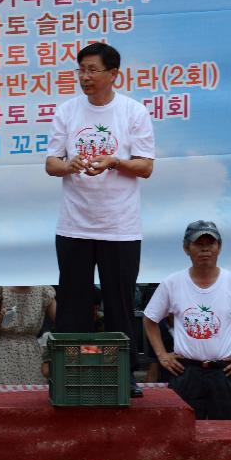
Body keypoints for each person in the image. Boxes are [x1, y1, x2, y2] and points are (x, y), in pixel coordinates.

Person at [45, 42, 155, 397]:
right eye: (81, 70)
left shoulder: (133, 112)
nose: (85, 77)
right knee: (73, 304)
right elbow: (51, 163)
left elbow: (146, 165)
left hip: (119, 228)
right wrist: (69, 164)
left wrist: (114, 161)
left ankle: (124, 374)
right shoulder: (67, 111)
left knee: (119, 303)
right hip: (74, 226)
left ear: (113, 74)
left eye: (92, 70)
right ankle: (68, 371)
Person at [143, 221, 231, 419]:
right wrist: (162, 356)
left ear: (219, 247)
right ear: (186, 248)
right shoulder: (172, 283)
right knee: (183, 434)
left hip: (224, 373)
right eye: (198, 243)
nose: (205, 249)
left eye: (210, 243)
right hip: (185, 373)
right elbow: (150, 319)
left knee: (228, 435)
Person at [0, 286, 56, 386]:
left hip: (32, 355)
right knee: (1, 397)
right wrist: (1, 319)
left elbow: (61, 321)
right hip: (3, 355)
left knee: (33, 397)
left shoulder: (44, 291)